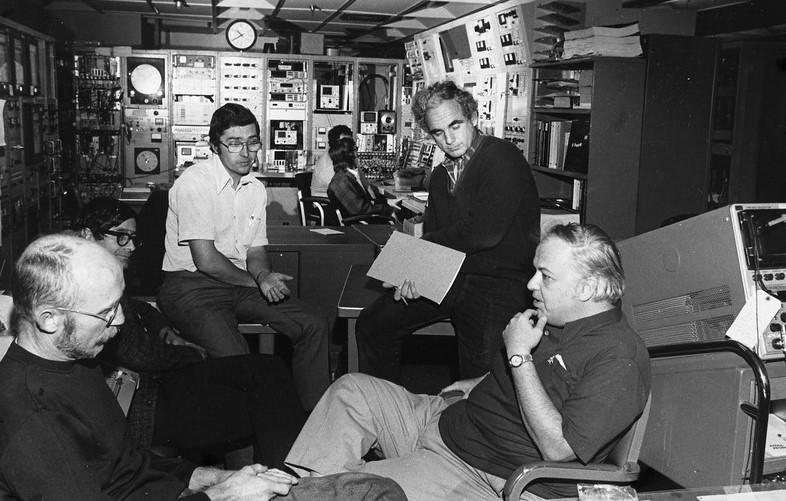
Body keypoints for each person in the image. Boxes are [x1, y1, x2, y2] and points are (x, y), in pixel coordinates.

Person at [0, 234, 409, 500]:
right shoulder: (27, 419)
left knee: (373, 489)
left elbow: (130, 468)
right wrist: (223, 496)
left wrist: (210, 478)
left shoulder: (77, 361)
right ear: (50, 318)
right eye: (107, 313)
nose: (120, 323)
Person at [286, 223, 651, 500]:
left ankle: (310, 491)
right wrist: (479, 382)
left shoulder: (618, 356)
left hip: (473, 467)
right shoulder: (557, 315)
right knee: (352, 391)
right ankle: (295, 487)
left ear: (587, 289)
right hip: (449, 419)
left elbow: (558, 448)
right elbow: (546, 382)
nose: (531, 285)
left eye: (546, 276)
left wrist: (518, 355)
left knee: (359, 491)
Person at [74, 196, 306, 469]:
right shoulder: (84, 283)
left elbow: (136, 306)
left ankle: (290, 475)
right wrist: (189, 353)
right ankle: (291, 480)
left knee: (270, 368)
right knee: (266, 403)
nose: (131, 247)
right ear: (87, 235)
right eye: (121, 237)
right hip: (147, 403)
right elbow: (139, 355)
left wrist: (163, 329)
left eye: (134, 238)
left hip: (157, 382)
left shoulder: (101, 270)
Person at [356, 79, 540, 383]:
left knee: (478, 376)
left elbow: (483, 233)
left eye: (455, 126)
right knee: (372, 324)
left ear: (473, 118)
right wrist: (414, 275)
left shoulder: (502, 157)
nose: (449, 140)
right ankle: (385, 411)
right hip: (454, 277)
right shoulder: (440, 176)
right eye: (438, 133)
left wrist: (415, 253)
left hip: (499, 285)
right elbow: (440, 244)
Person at [157, 103, 330, 410]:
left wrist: (263, 275)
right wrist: (256, 283)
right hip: (190, 288)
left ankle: (313, 422)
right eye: (234, 143)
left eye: (252, 142)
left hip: (236, 283)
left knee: (314, 322)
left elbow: (256, 249)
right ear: (215, 145)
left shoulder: (255, 189)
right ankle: (245, 457)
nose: (246, 152)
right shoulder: (194, 183)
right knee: (241, 365)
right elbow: (206, 260)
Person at [327, 137, 396, 220]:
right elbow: (361, 209)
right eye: (355, 149)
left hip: (362, 220)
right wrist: (388, 210)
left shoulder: (349, 176)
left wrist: (387, 202)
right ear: (351, 154)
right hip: (359, 225)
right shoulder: (341, 182)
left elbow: (363, 202)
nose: (358, 154)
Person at [312, 124, 353, 198]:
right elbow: (343, 189)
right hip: (327, 205)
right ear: (334, 143)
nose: (348, 146)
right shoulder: (327, 166)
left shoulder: (342, 158)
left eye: (350, 143)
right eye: (344, 142)